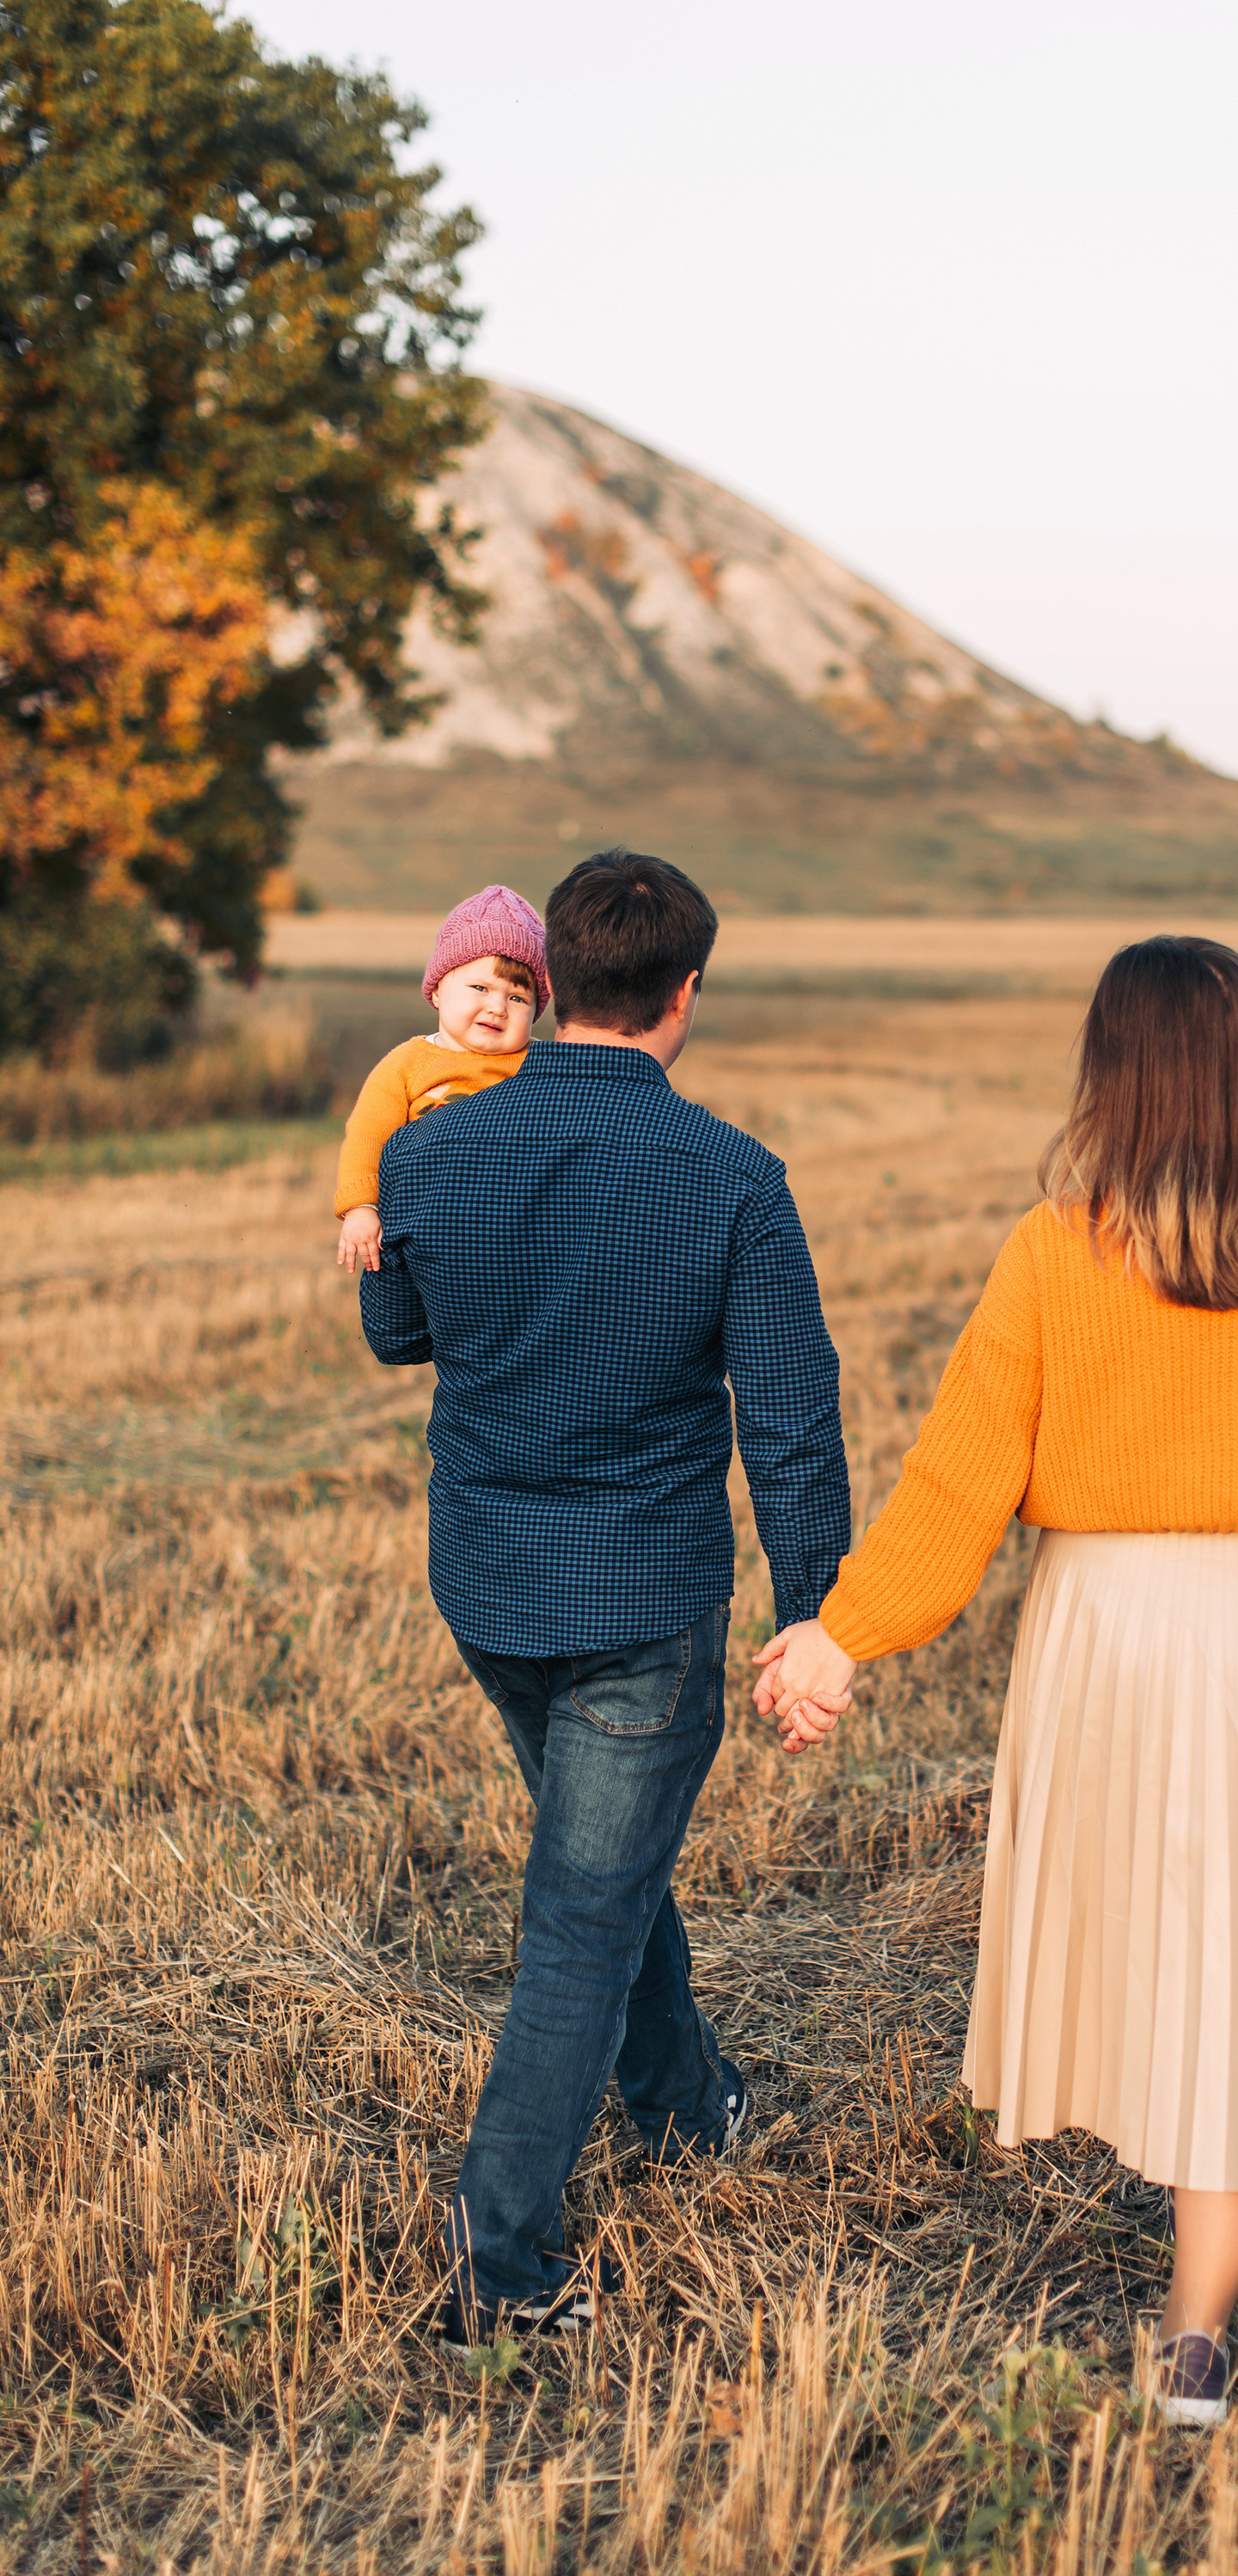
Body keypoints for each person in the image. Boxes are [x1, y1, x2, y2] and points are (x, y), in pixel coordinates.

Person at [755, 934, 1238, 2429]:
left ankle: (1192, 2293)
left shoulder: (1059, 1247)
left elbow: (961, 1477)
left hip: (1120, 1631)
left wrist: (845, 1634)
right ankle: (1197, 2330)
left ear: (1114, 1072)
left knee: (1162, 1941)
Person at [359, 848, 850, 2351]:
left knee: (604, 1866)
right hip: (641, 1597)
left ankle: (685, 2104)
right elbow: (790, 1420)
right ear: (685, 993)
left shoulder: (433, 1151)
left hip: (486, 1582)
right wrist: (818, 1609)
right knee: (583, 1910)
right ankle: (499, 2267)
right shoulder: (733, 1174)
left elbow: (397, 1332)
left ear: (555, 981)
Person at [334, 884, 549, 1276]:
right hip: (428, 1233)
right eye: (480, 988)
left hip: (519, 1236)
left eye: (518, 998)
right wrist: (362, 1208)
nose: (497, 1007)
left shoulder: (540, 1064)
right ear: (436, 990)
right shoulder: (407, 1064)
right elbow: (367, 1134)